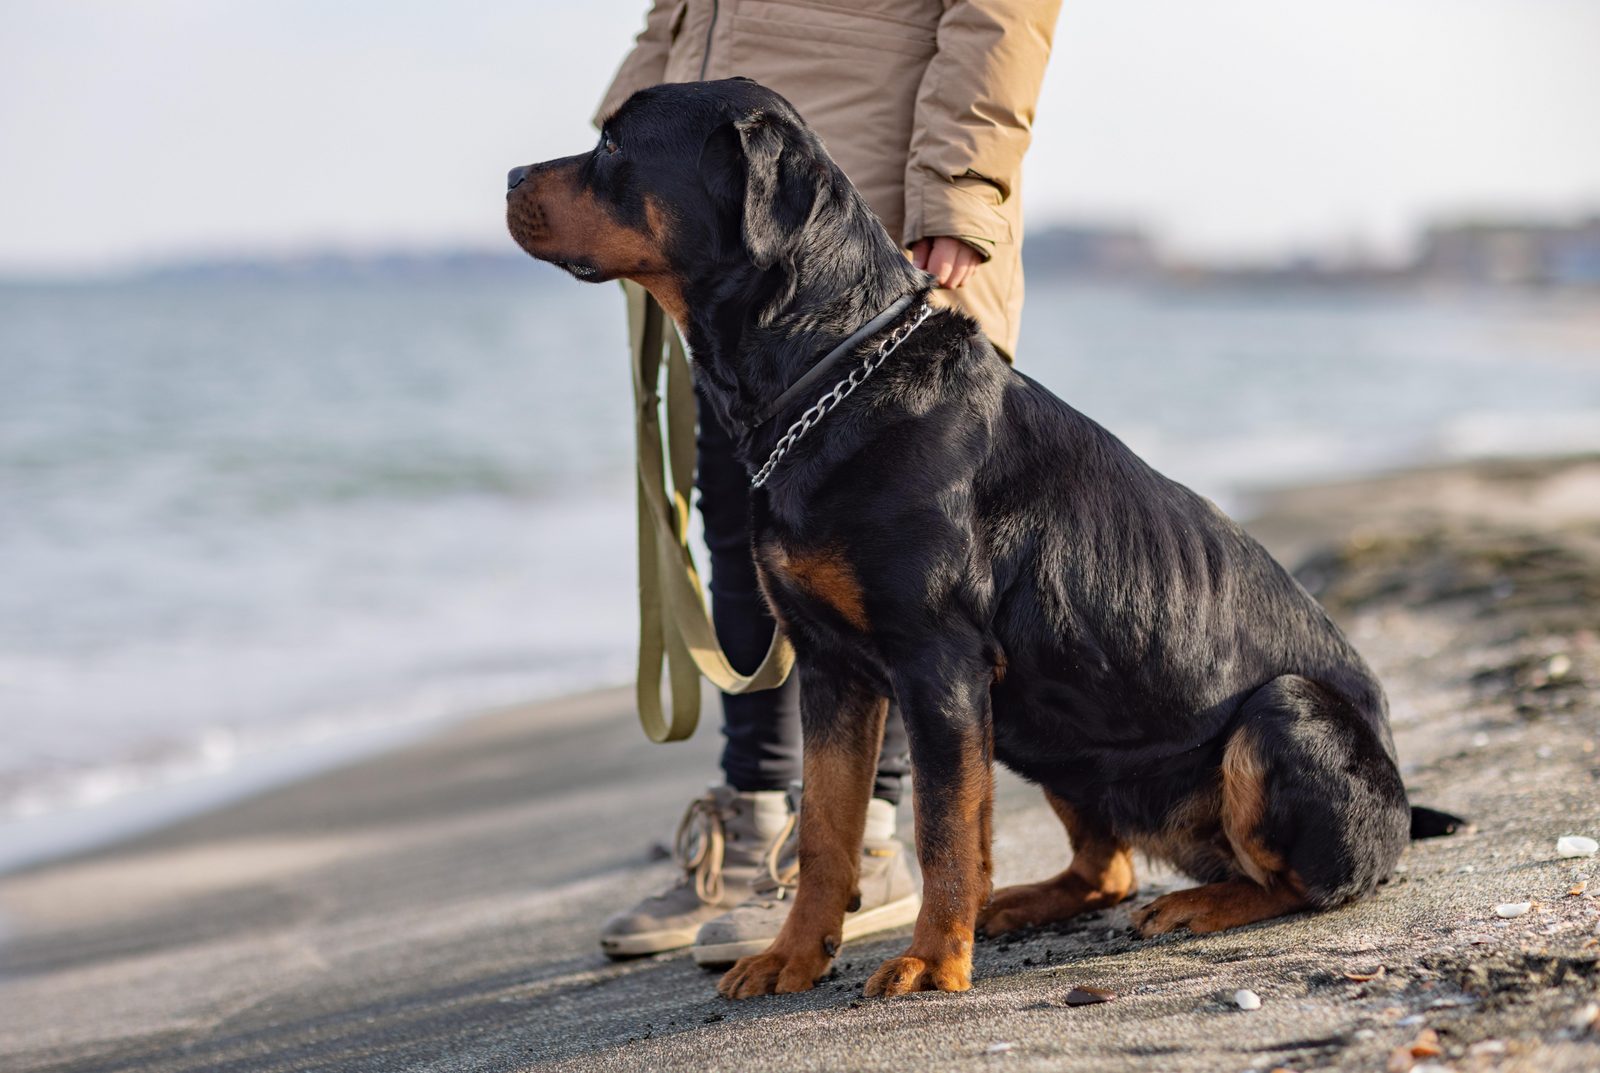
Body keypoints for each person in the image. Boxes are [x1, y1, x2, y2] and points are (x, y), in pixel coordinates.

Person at [594, 0, 1061, 964]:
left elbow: (1000, 16)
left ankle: (874, 841)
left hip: (856, 213)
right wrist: (617, 157)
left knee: (902, 575)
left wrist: (959, 191)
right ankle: (755, 820)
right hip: (714, 211)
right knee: (743, 527)